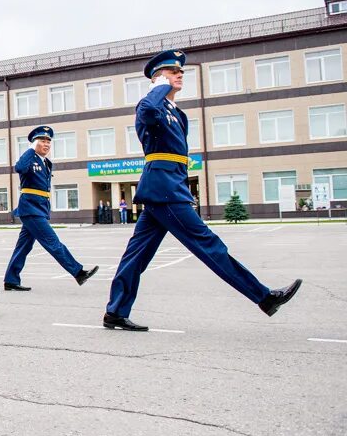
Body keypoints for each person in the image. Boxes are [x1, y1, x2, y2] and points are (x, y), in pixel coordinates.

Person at [104, 49, 302, 331]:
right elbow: (148, 112)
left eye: (180, 72)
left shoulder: (177, 115)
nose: (179, 75)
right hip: (165, 190)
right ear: (158, 78)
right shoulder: (150, 106)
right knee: (209, 244)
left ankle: (115, 312)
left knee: (135, 257)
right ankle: (264, 297)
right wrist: (160, 87)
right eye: (173, 72)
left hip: (170, 188)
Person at [3, 126, 97, 292]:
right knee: (53, 242)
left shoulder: (46, 162)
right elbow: (19, 168)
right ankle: (78, 272)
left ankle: (11, 280)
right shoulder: (29, 158)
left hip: (39, 208)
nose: (46, 144)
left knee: (23, 247)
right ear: (34, 143)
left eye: (48, 142)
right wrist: (30, 149)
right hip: (31, 209)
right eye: (42, 141)